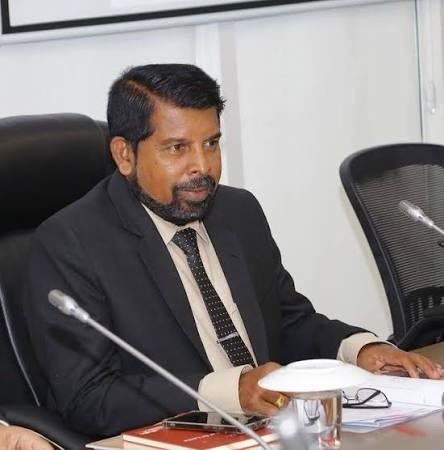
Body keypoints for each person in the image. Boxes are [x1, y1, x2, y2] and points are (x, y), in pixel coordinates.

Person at [24, 64, 441, 437]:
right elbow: (88, 397)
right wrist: (232, 391)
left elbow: (290, 321)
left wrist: (359, 349)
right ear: (124, 155)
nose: (202, 167)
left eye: (211, 143)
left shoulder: (237, 212)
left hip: (275, 430)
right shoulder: (71, 244)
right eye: (177, 148)